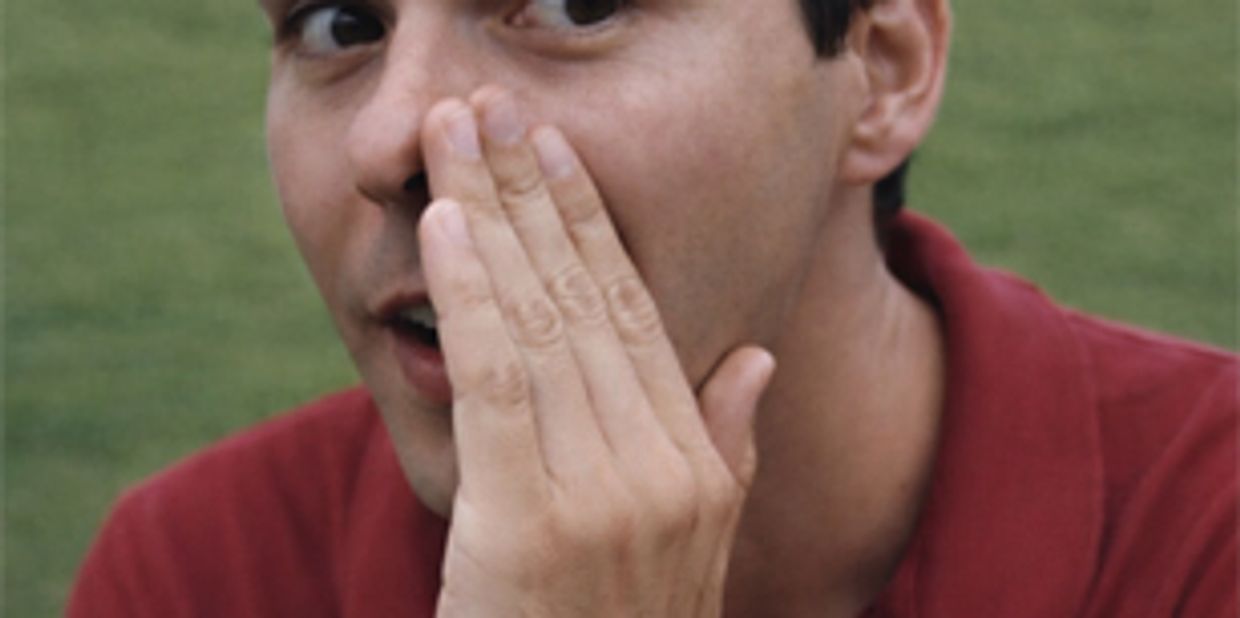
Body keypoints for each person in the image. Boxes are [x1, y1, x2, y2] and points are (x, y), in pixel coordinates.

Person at [69, 0, 1236, 615]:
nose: (387, 139)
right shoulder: (201, 575)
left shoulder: (1206, 531)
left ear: (880, 70)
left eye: (576, 3)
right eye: (339, 24)